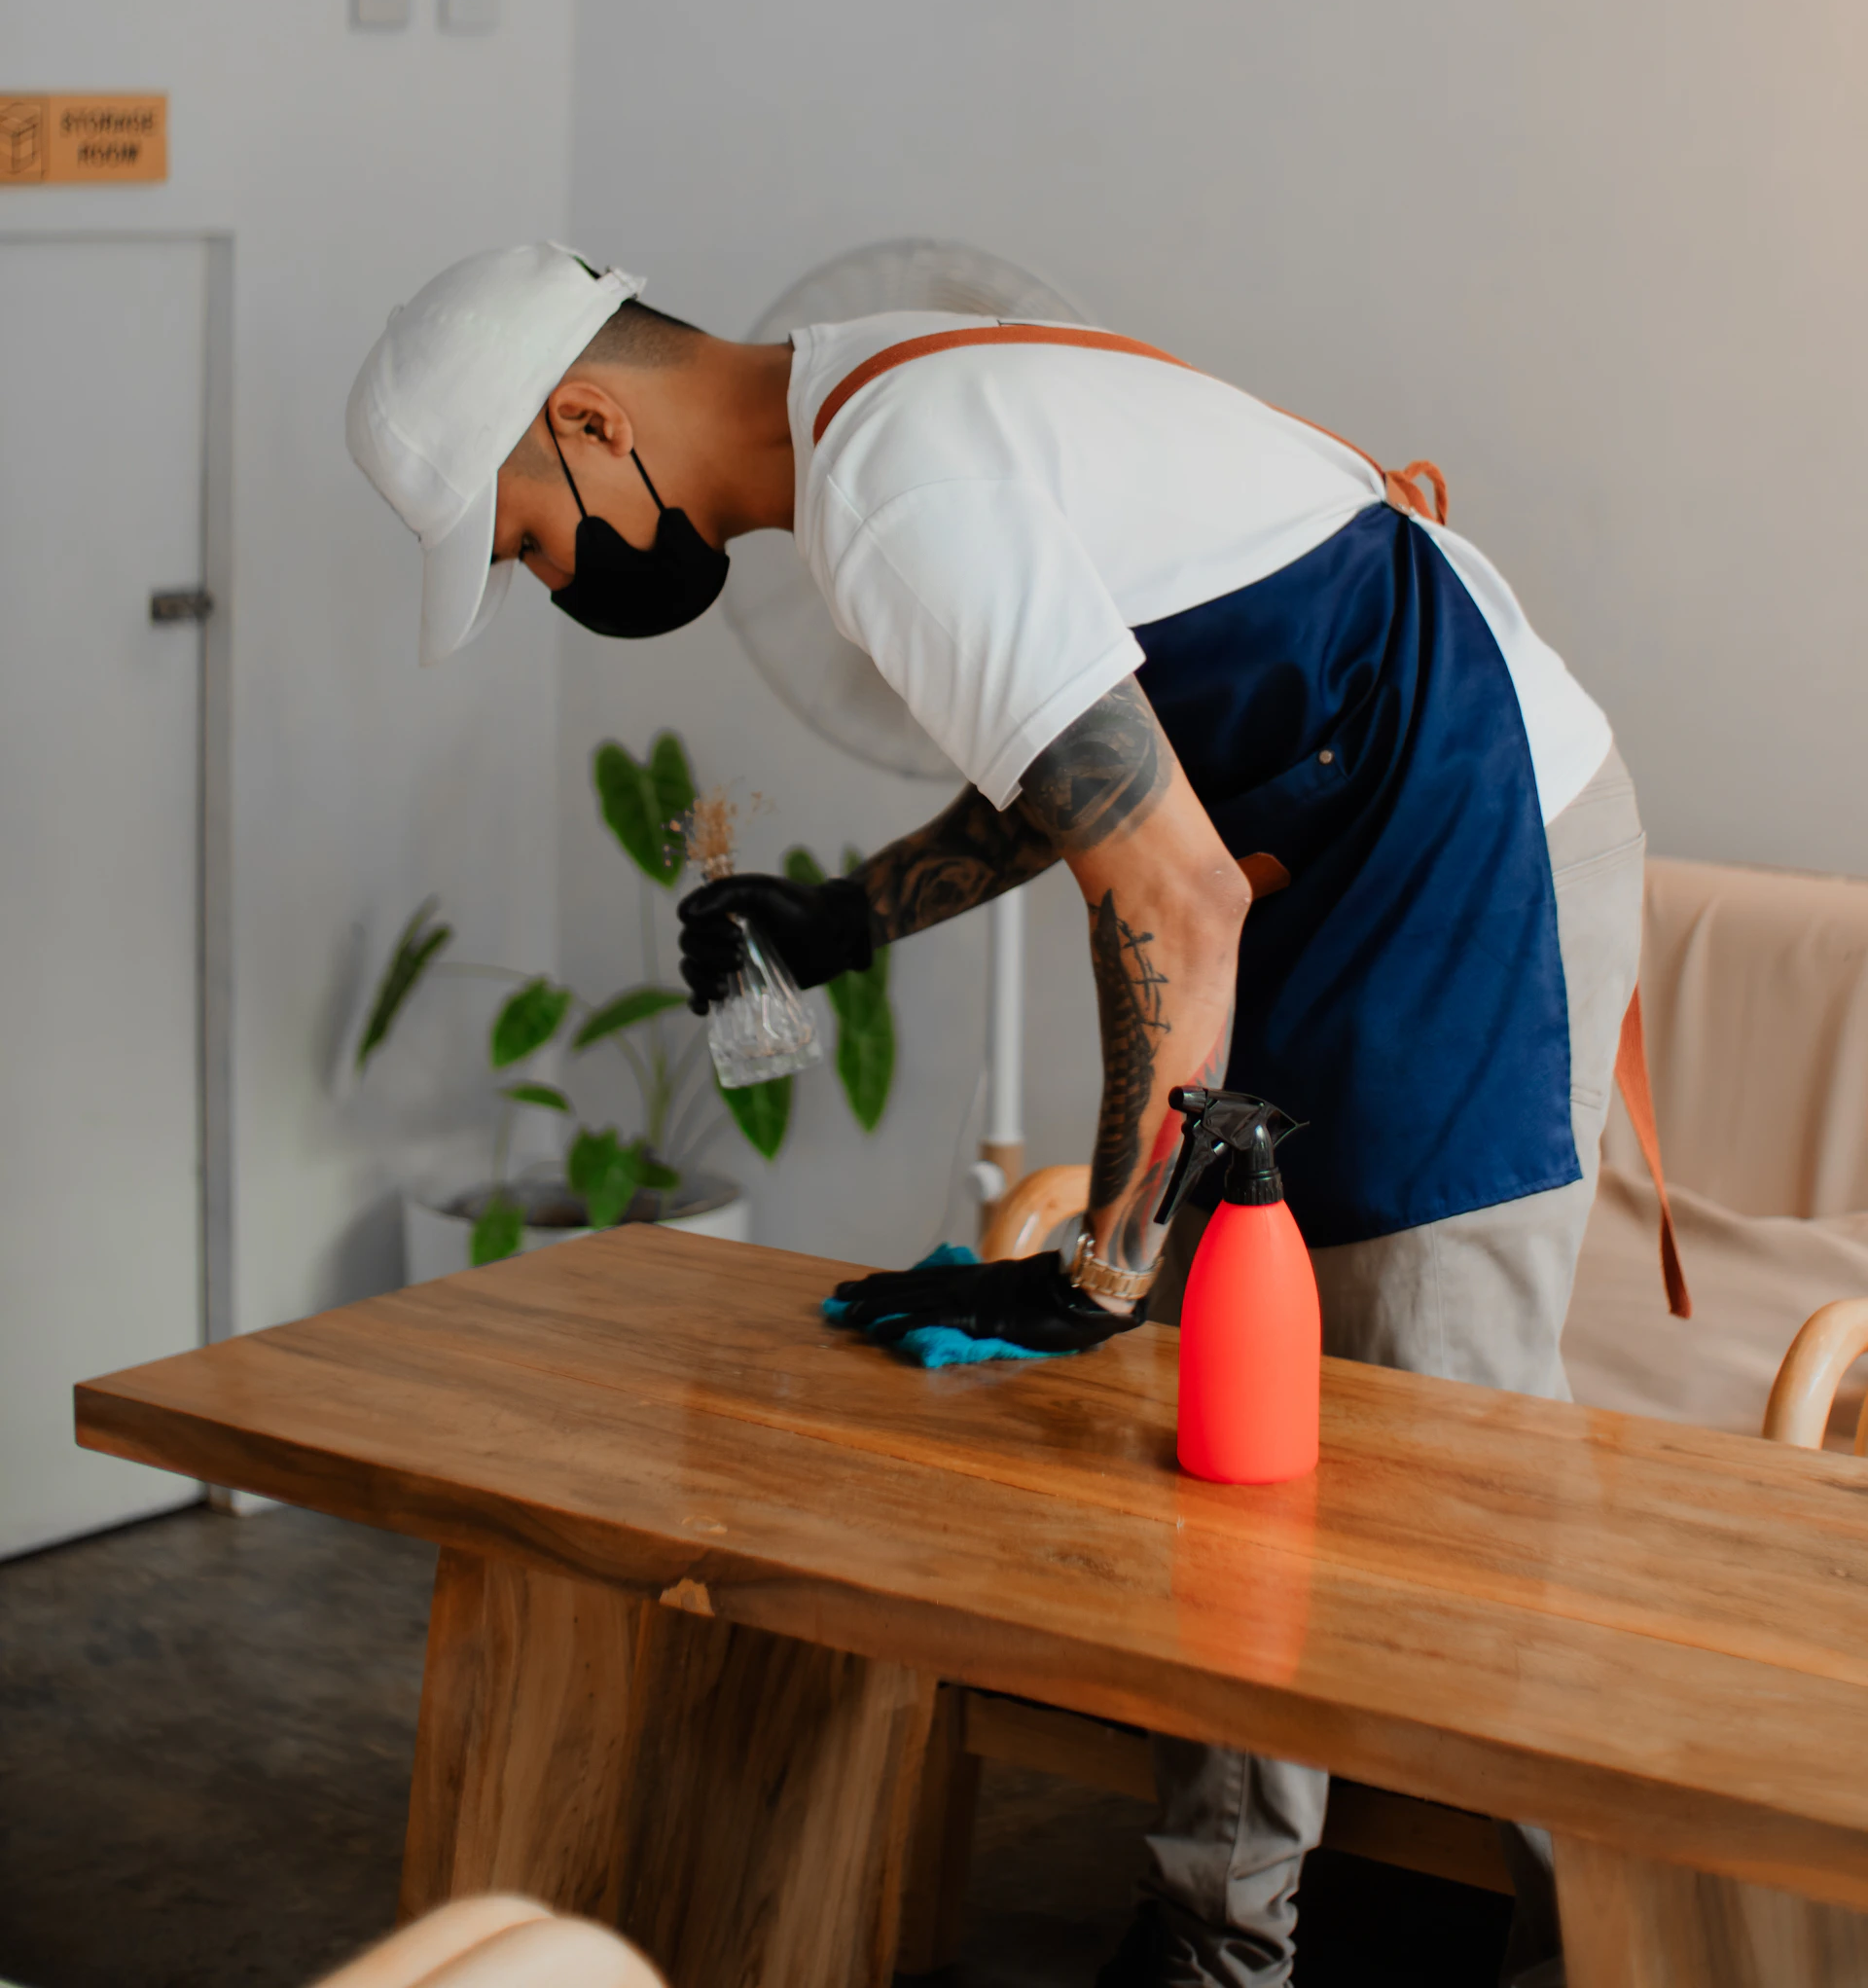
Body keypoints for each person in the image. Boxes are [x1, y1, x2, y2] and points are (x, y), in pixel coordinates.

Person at [347, 240, 1643, 1988]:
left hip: (1474, 837)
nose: (553, 577)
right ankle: (1220, 1938)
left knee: (1449, 1464)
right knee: (1236, 1425)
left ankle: (1609, 1948)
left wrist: (1106, 1260)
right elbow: (1098, 757)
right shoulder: (877, 408)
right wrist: (841, 920)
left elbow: (1172, 897)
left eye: (524, 537)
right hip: (1323, 846)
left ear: (585, 419)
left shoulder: (898, 486)